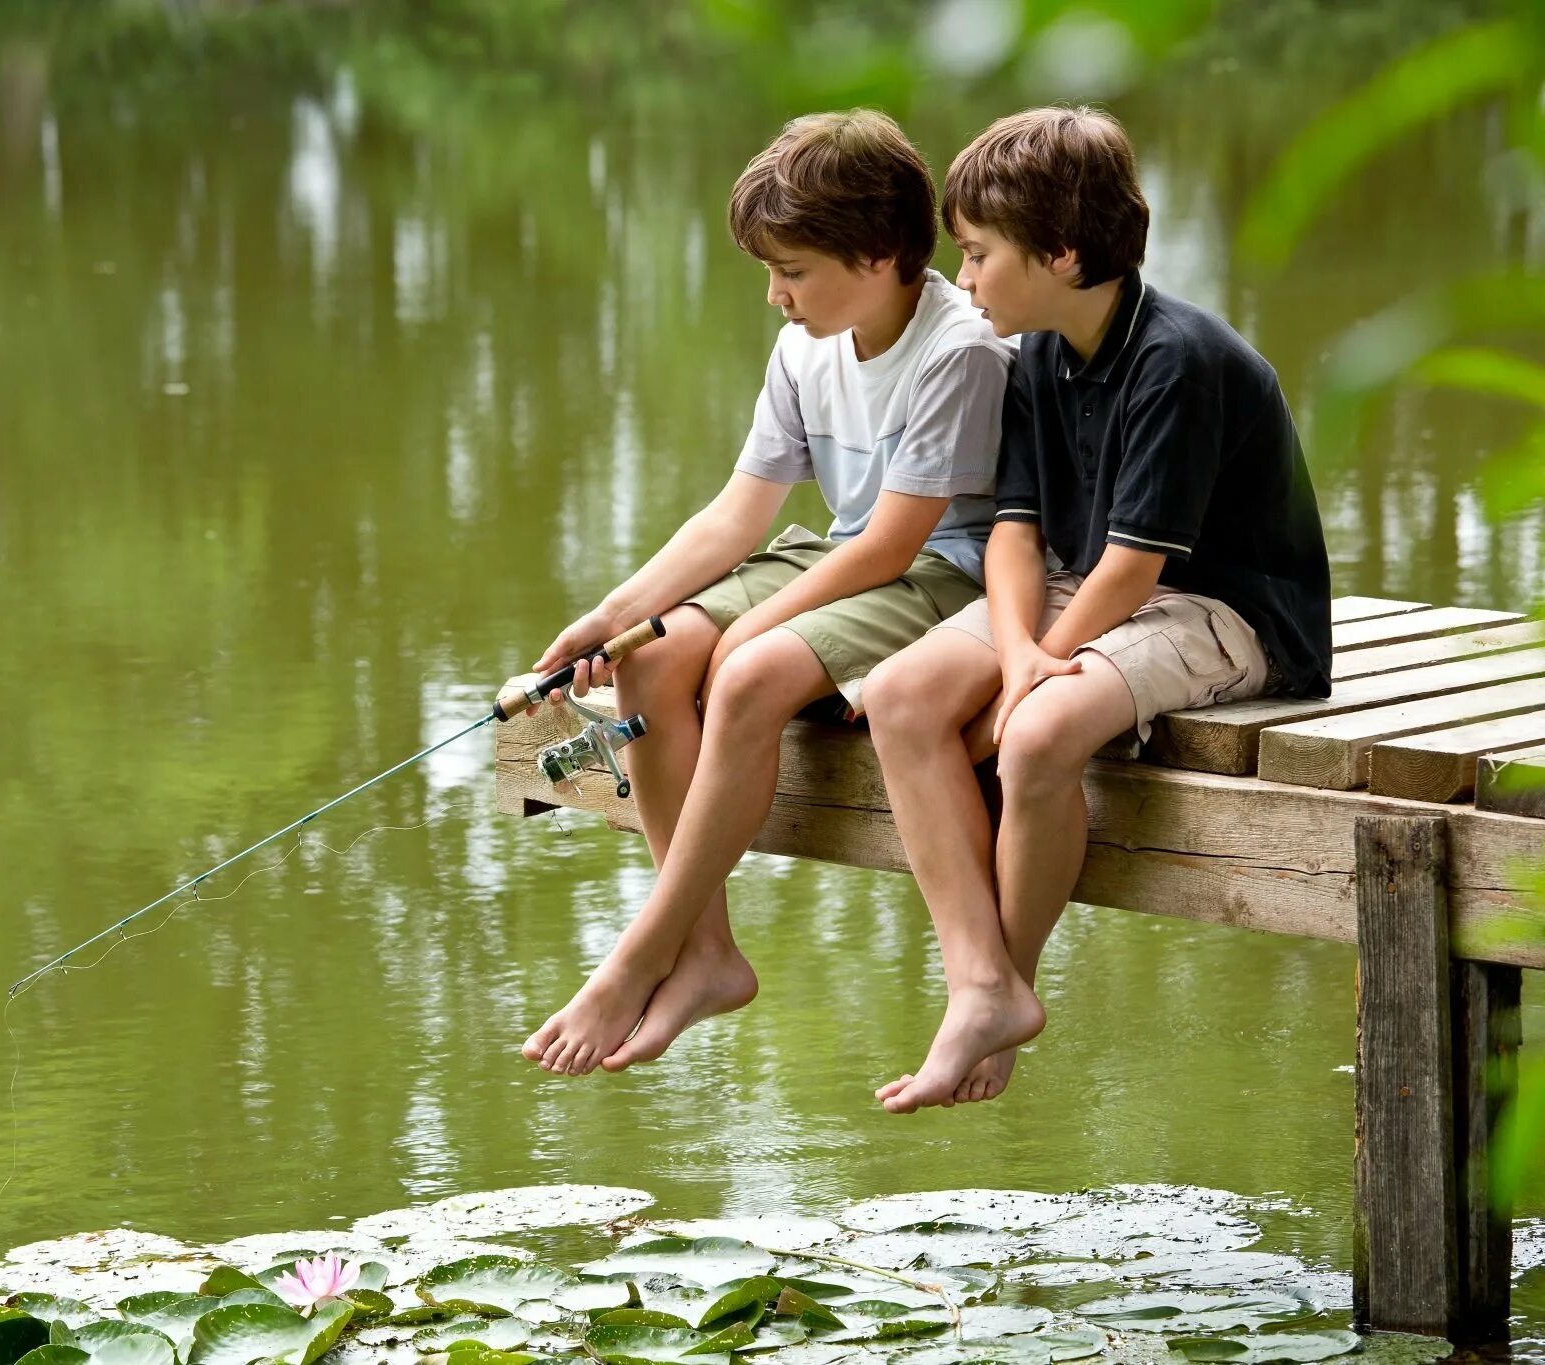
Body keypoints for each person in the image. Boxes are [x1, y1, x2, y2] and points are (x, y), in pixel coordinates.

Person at [522, 109, 1013, 1076]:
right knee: (656, 659)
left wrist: (752, 637)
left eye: (791, 270)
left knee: (747, 677)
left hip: (946, 574)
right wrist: (618, 615)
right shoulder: (806, 345)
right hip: (846, 553)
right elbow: (736, 516)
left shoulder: (959, 352)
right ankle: (705, 950)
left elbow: (893, 546)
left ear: (877, 256)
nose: (775, 295)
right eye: (769, 271)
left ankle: (637, 956)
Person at [861, 106, 1332, 1112]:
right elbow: (1014, 533)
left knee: (1034, 737)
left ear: (1061, 254)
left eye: (980, 254)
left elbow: (1134, 567)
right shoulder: (1034, 350)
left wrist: (1034, 666)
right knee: (899, 696)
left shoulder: (1176, 359)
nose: (967, 277)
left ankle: (1009, 980)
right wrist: (1020, 641)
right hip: (1096, 589)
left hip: (1220, 608)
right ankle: (975, 983)